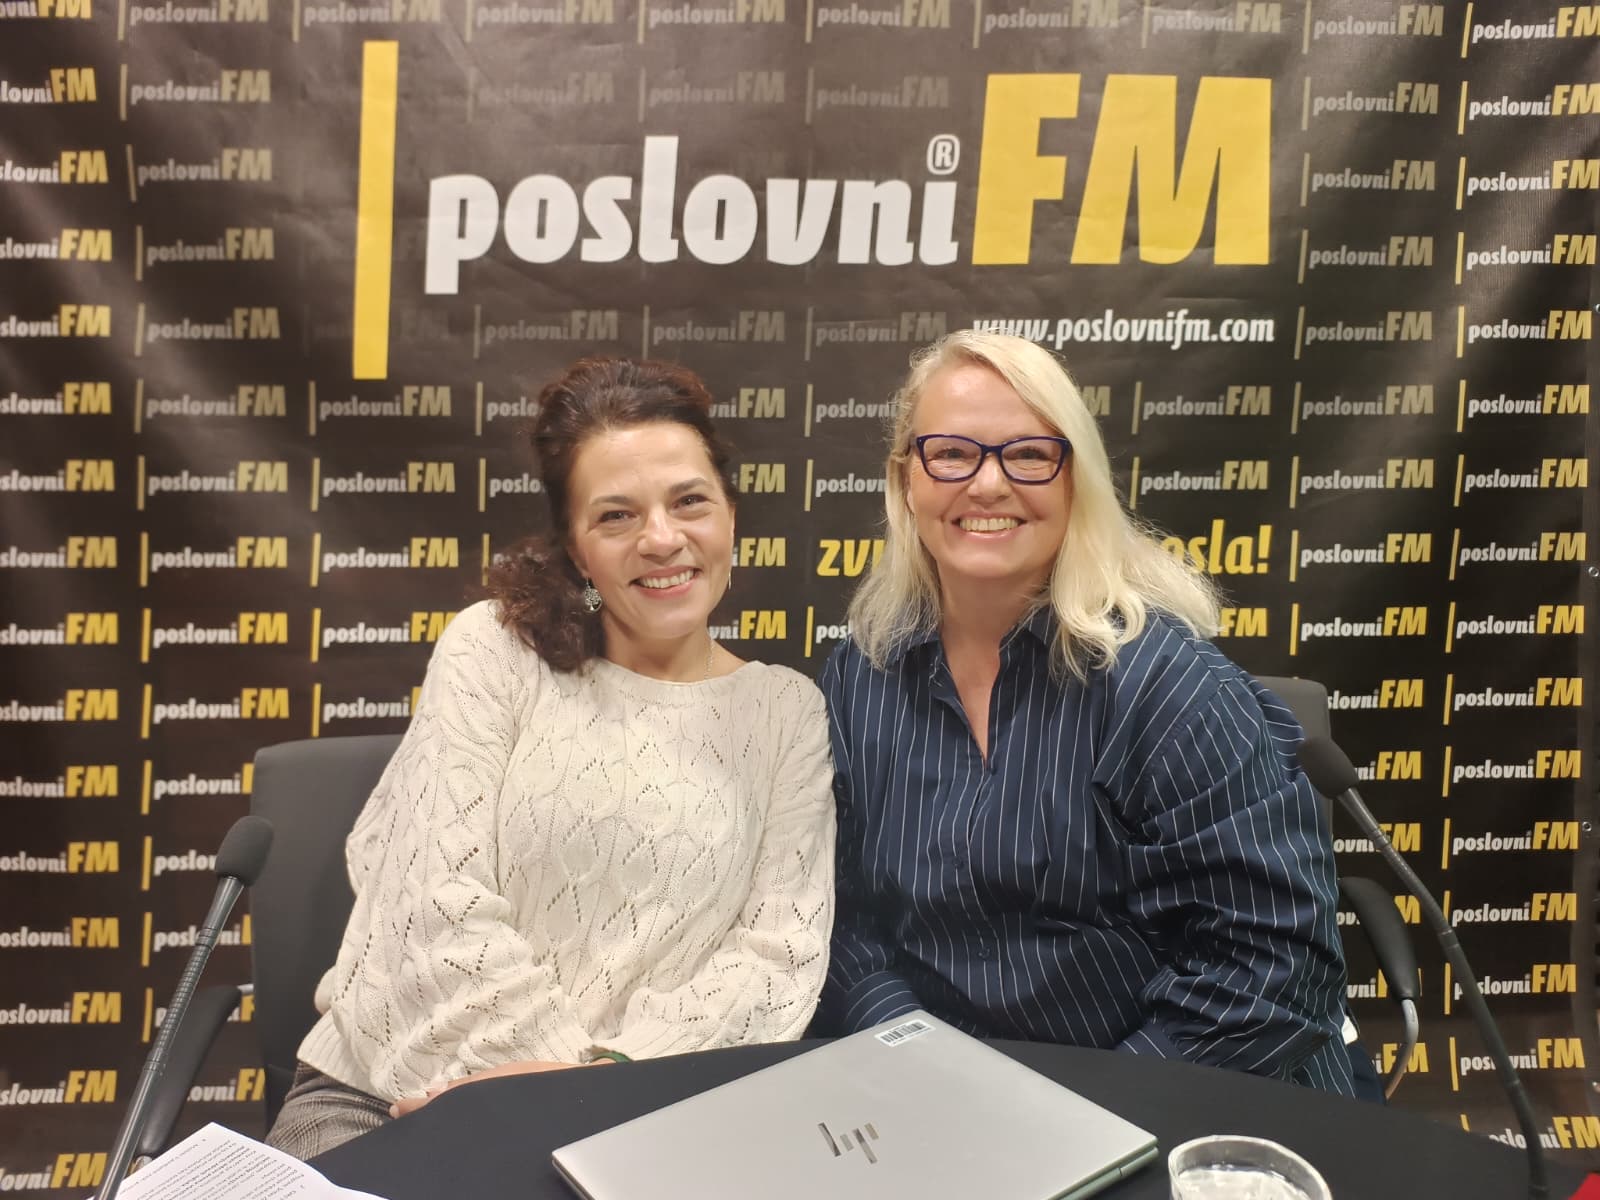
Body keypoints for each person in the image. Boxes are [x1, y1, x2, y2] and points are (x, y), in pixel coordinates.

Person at [267, 357, 836, 1157]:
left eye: (689, 502)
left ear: (731, 515)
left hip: (643, 1121)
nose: (662, 538)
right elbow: (433, 903)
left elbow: (776, 958)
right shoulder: (494, 650)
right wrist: (552, 1088)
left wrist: (593, 1086)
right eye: (616, 516)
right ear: (576, 548)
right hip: (392, 1093)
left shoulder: (786, 712)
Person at [812, 330, 1355, 1096]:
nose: (988, 484)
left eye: (1030, 455)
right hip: (936, 1094)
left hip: (1165, 1098)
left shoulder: (1169, 688)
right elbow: (838, 913)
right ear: (907, 481)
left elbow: (1274, 971)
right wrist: (911, 1054)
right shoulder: (860, 674)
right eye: (952, 454)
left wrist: (1075, 1116)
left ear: (1078, 481)